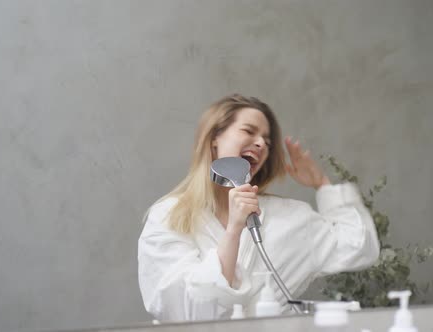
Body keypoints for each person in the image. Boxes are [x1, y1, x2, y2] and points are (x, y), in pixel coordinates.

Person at [138, 94, 380, 321]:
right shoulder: (170, 216)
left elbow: (360, 246)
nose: (261, 144)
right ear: (214, 139)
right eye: (248, 131)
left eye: (267, 141)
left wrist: (323, 185)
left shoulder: (291, 217)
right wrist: (234, 230)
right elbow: (184, 311)